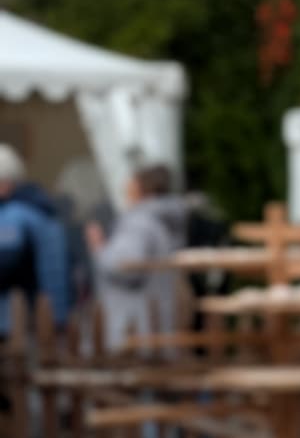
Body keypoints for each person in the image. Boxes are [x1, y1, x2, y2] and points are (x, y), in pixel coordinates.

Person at [86, 162, 194, 351]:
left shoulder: (139, 223)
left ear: (139, 188)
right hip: (155, 321)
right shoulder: (161, 221)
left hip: (132, 326)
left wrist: (99, 248)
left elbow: (125, 267)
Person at [0, 145, 71, 336]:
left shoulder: (14, 215)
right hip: (50, 311)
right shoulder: (40, 209)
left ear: (5, 183)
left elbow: (4, 260)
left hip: (18, 317)